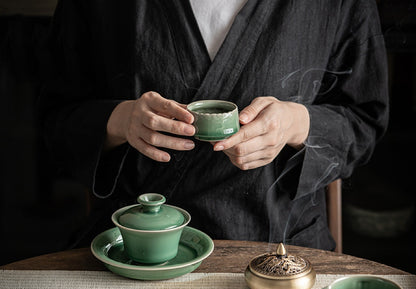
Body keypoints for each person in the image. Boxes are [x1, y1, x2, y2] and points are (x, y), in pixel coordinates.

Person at [39, 0, 389, 251]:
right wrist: (120, 120)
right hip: (133, 247)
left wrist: (297, 124)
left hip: (277, 248)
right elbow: (55, 120)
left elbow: (363, 123)